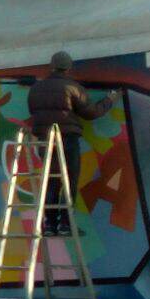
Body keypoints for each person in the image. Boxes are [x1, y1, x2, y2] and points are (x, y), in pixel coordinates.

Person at [26, 51, 113, 236]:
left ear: (51, 66)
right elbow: (91, 113)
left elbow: (32, 111)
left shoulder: (36, 89)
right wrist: (109, 100)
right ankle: (65, 225)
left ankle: (49, 225)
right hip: (67, 140)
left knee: (51, 181)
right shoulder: (73, 87)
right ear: (69, 68)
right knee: (68, 181)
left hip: (44, 140)